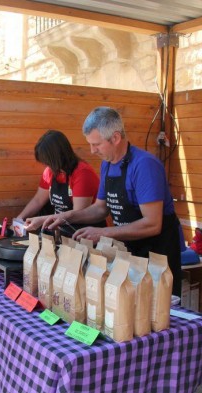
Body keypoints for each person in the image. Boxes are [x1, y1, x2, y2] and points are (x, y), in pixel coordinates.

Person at [44, 107, 182, 295]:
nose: (92, 151)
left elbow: (153, 224)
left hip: (157, 256)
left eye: (97, 144)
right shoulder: (107, 164)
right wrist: (64, 216)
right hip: (129, 251)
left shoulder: (144, 166)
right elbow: (100, 209)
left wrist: (103, 233)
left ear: (115, 138)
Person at [17, 129, 104, 237]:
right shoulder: (50, 171)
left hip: (85, 234)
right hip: (60, 229)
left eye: (48, 161)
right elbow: (38, 200)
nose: (46, 165)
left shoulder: (82, 173)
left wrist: (42, 220)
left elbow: (77, 214)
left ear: (57, 157)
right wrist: (19, 219)